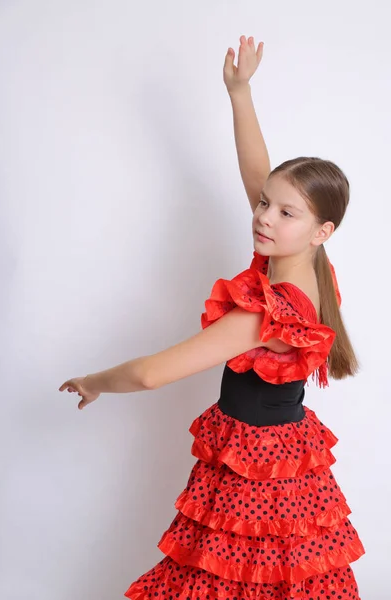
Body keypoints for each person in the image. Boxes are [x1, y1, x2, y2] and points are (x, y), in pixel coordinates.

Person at [59, 35, 365, 599]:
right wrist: (240, 91)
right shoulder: (306, 262)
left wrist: (94, 382)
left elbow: (153, 373)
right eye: (263, 205)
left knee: (234, 583)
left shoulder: (272, 312)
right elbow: (260, 176)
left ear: (321, 231)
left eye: (284, 212)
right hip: (269, 456)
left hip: (258, 471)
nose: (264, 217)